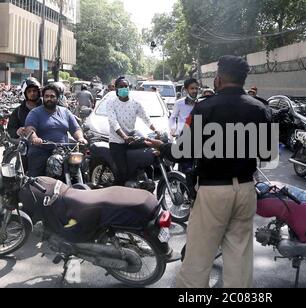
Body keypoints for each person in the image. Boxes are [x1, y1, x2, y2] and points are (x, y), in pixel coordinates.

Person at [147, 55, 273, 288]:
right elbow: (268, 154)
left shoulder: (204, 108)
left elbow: (181, 151)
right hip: (246, 190)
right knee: (239, 255)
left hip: (214, 192)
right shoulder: (260, 109)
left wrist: (161, 147)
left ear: (220, 78)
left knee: (199, 255)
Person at [24, 84, 88, 177]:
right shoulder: (35, 113)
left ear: (58, 98)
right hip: (42, 150)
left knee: (79, 169)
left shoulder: (65, 112)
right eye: (46, 96)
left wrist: (81, 138)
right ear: (43, 98)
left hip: (64, 151)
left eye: (52, 96)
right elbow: (30, 129)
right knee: (37, 180)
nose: (49, 99)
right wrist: (35, 138)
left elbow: (75, 128)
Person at [106, 77, 160, 186]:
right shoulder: (111, 103)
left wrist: (156, 129)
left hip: (132, 139)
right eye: (121, 87)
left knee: (148, 156)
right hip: (117, 142)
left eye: (126, 86)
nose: (124, 88)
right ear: (116, 89)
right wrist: (124, 137)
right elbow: (114, 122)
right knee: (123, 173)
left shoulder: (135, 103)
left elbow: (146, 118)